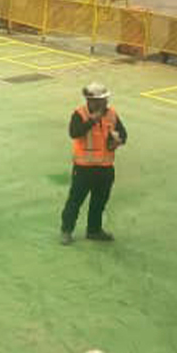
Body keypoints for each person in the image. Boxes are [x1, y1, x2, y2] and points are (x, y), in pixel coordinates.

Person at [59, 82, 127, 245]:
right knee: (75, 201)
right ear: (90, 101)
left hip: (105, 169)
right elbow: (74, 133)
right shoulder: (79, 114)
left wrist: (118, 140)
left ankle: (94, 230)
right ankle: (66, 231)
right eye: (101, 100)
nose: (104, 103)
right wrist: (92, 121)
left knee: (99, 202)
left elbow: (123, 133)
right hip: (84, 169)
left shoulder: (112, 114)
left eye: (105, 99)